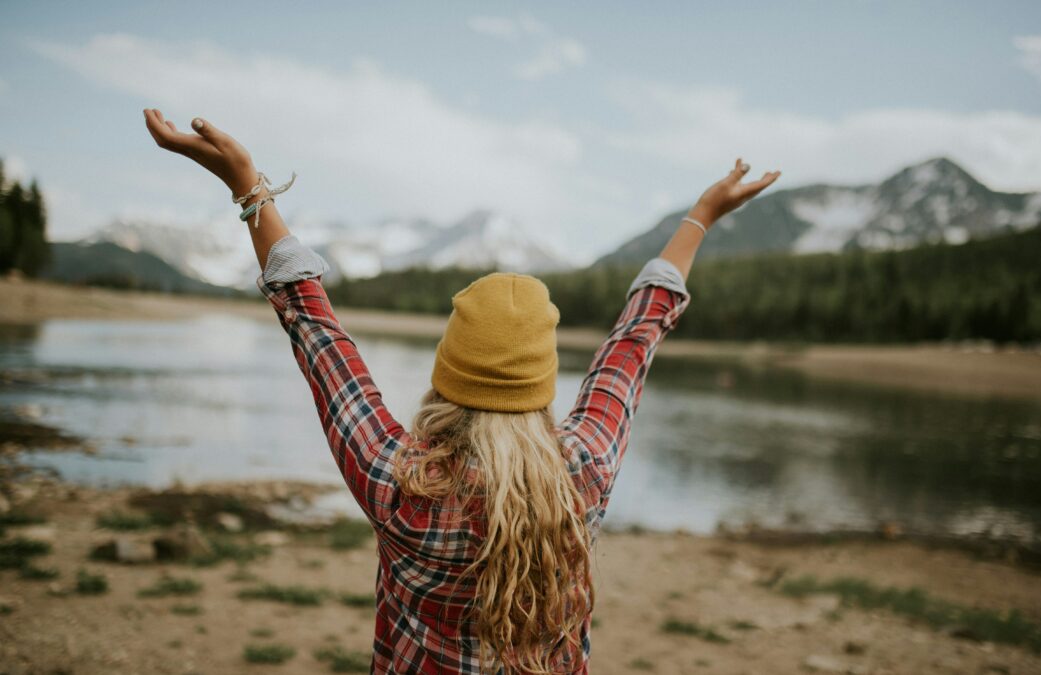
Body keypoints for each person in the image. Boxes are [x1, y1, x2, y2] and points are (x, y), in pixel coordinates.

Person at [143, 108, 779, 673]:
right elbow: (633, 342)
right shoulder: (584, 472)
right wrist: (702, 215)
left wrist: (249, 187)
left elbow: (317, 332)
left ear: (447, 376)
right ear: (540, 384)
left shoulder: (399, 485)